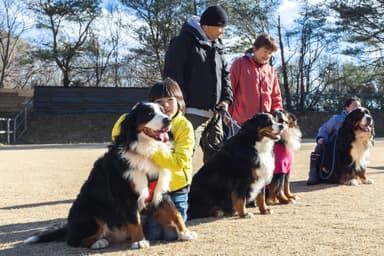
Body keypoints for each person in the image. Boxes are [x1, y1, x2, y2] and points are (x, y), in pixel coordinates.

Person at [111, 77, 195, 241]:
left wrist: (149, 149)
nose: (165, 106)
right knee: (153, 234)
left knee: (171, 235)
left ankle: (182, 210)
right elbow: (117, 134)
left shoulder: (184, 126)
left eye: (170, 100)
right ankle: (147, 217)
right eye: (159, 101)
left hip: (176, 189)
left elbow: (178, 163)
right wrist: (132, 114)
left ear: (179, 101)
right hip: (150, 191)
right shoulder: (148, 123)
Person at [163, 5, 233, 163]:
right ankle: (179, 189)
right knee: (183, 157)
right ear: (207, 26)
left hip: (215, 115)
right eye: (220, 27)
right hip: (190, 114)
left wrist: (226, 99)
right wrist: (180, 107)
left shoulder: (218, 45)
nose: (222, 31)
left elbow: (225, 75)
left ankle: (213, 189)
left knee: (217, 161)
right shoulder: (182, 42)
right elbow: (172, 77)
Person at [229, 33, 282, 126]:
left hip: (265, 125)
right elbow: (230, 90)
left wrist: (277, 112)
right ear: (255, 48)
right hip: (241, 123)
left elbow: (275, 96)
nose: (267, 55)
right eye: (265, 51)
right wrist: (229, 115)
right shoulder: (239, 64)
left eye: (270, 53)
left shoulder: (271, 71)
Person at [306, 96, 362, 185]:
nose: (358, 108)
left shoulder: (360, 122)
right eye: (355, 105)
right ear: (347, 107)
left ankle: (354, 175)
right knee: (320, 145)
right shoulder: (337, 119)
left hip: (351, 148)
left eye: (359, 106)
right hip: (335, 147)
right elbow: (324, 129)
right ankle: (313, 173)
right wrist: (321, 138)